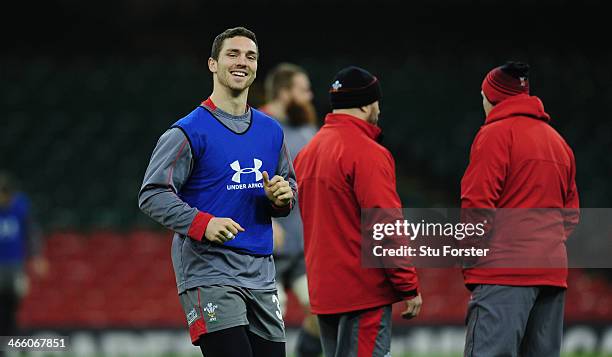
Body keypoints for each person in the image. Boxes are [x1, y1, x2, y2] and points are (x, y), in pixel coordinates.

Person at [138, 27, 296, 357]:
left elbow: (287, 188)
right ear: (212, 64)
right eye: (233, 54)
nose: (243, 62)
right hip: (210, 271)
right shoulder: (188, 130)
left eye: (250, 56)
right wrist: (203, 223)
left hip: (261, 273)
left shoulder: (271, 130)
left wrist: (282, 197)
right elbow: (152, 194)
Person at [294, 66, 422, 357]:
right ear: (366, 104)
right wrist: (407, 285)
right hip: (363, 294)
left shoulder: (308, 153)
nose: (378, 108)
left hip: (324, 293)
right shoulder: (368, 153)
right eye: (376, 101)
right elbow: (386, 225)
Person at [460, 61, 580, 357]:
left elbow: (477, 205)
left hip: (504, 273)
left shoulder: (494, 135)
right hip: (550, 273)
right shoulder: (558, 142)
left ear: (493, 97)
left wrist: (471, 261)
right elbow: (571, 214)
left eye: (483, 97)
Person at [260, 63, 322, 357]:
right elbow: (241, 182)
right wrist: (267, 219)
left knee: (324, 312)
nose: (309, 96)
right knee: (269, 323)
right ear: (285, 93)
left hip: (305, 245)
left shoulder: (310, 130)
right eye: (303, 90)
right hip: (265, 247)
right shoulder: (254, 127)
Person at [0, 171, 47, 357]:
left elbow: (31, 232)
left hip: (14, 267)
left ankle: (10, 345)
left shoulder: (20, 206)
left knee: (11, 308)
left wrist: (36, 257)